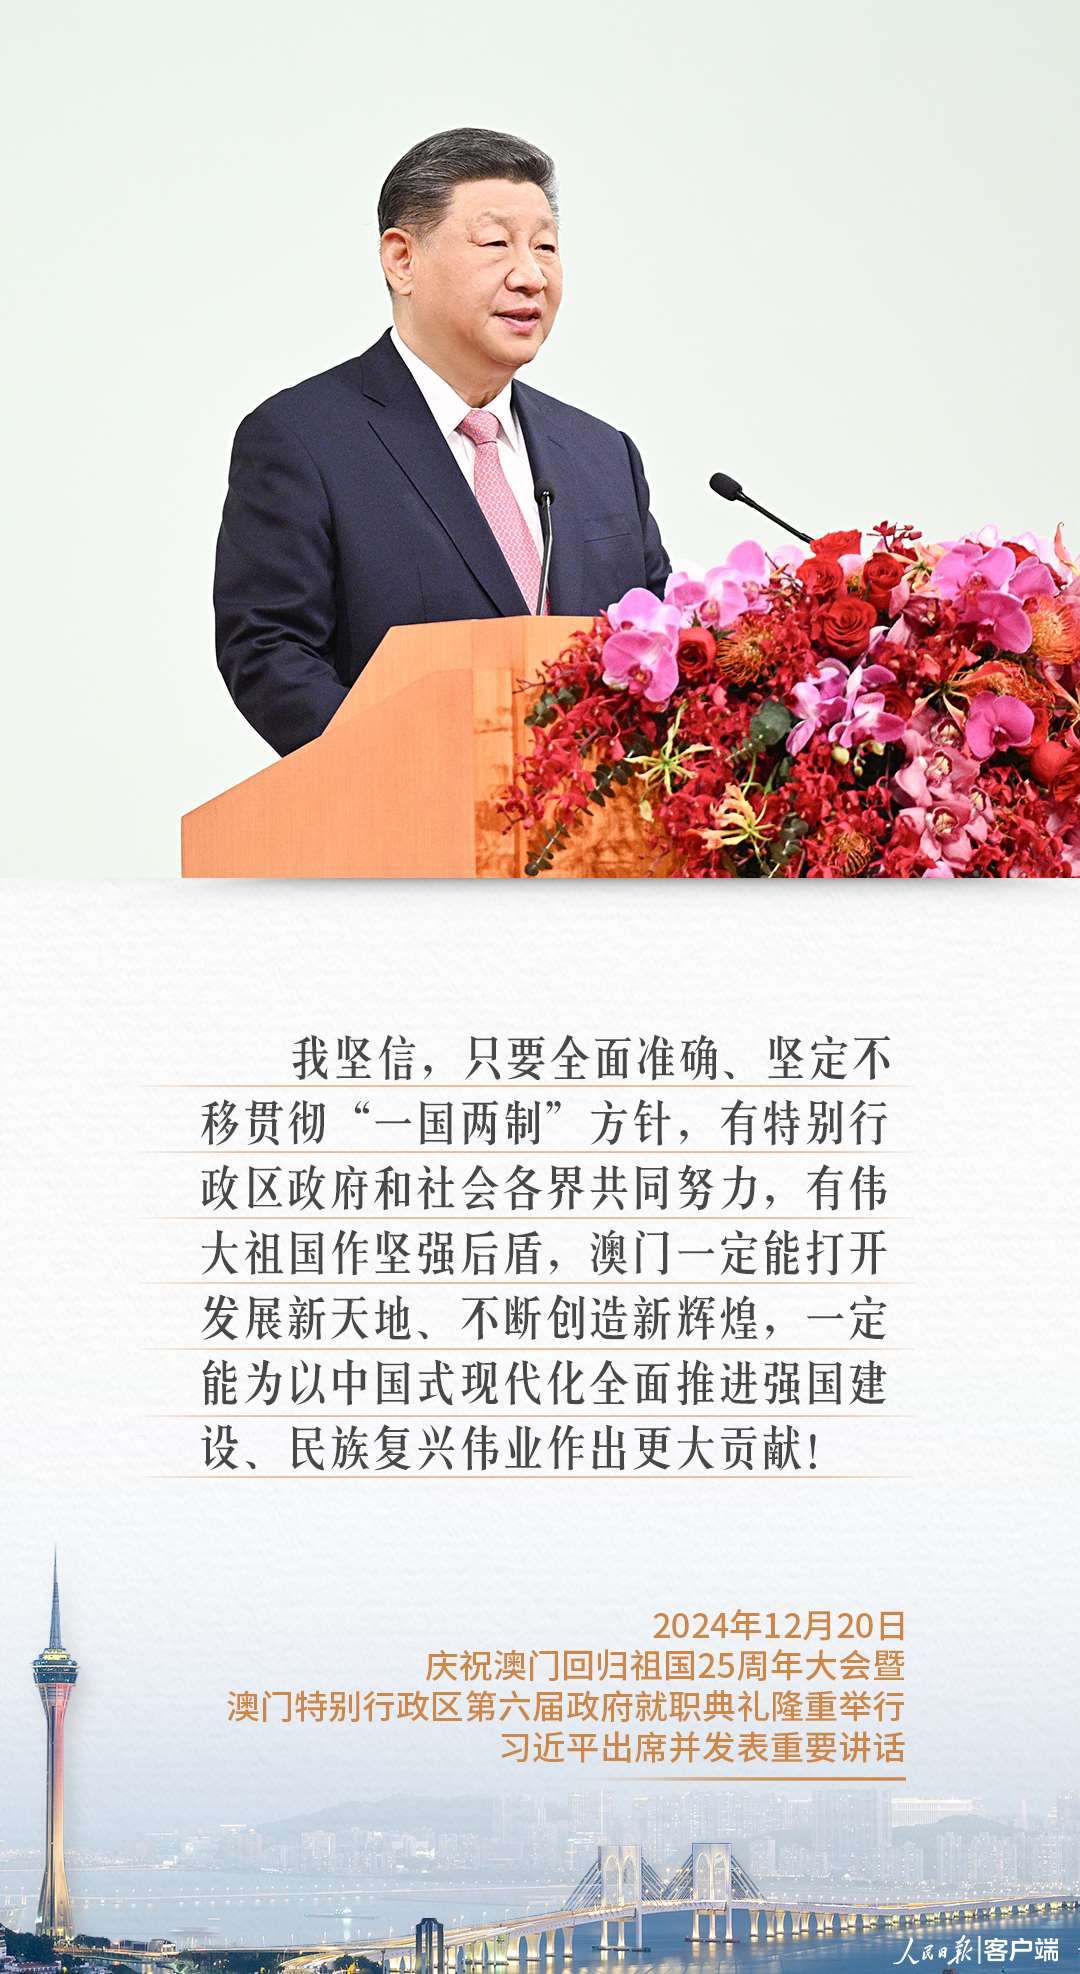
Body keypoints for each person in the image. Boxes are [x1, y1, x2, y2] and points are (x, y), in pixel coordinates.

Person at [214, 127, 671, 757]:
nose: (531, 276)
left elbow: (659, 638)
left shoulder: (602, 454)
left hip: (599, 813)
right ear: (402, 260)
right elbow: (270, 651)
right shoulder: (304, 439)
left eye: (545, 247)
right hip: (405, 804)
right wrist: (413, 770)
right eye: (496, 243)